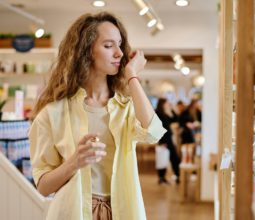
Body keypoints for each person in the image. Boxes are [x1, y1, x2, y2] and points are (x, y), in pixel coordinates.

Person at [29, 12, 166, 220]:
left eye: (120, 44)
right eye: (109, 45)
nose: (119, 53)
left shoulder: (126, 107)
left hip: (122, 211)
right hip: (73, 212)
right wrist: (74, 161)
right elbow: (43, 187)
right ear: (86, 51)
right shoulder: (52, 113)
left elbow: (154, 132)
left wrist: (133, 76)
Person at [155, 98, 181, 184]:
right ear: (162, 104)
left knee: (171, 157)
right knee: (166, 158)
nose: (167, 105)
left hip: (168, 138)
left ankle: (174, 176)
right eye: (166, 103)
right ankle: (163, 177)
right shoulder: (158, 113)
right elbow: (158, 128)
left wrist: (172, 109)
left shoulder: (165, 113)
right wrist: (162, 142)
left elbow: (175, 119)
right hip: (164, 139)